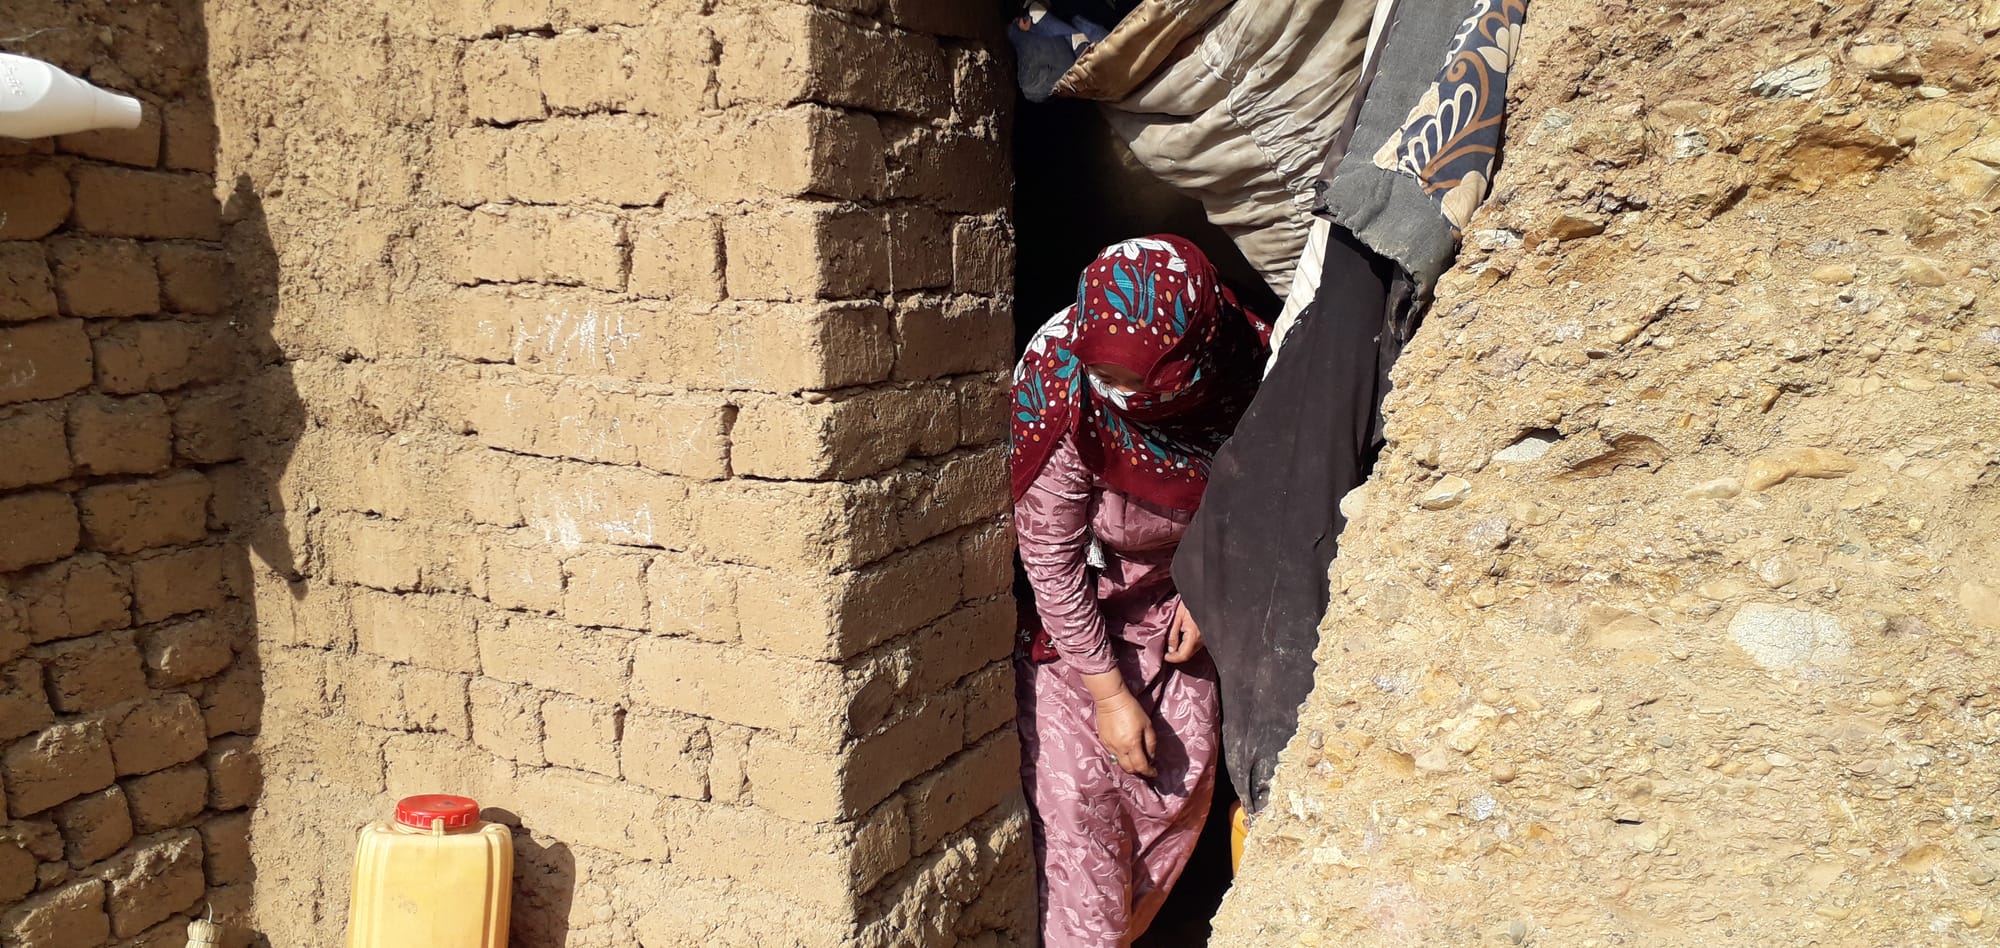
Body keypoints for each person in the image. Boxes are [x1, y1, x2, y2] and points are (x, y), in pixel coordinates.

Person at [1011, 235, 1270, 946]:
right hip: (1073, 625)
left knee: (1178, 788)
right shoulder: (1064, 391)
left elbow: (1268, 494)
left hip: (1177, 604)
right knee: (1079, 811)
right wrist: (1108, 694)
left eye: (1138, 381)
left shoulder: (1251, 369)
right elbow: (1050, 556)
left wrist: (1211, 580)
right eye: (1102, 373)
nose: (1117, 394)